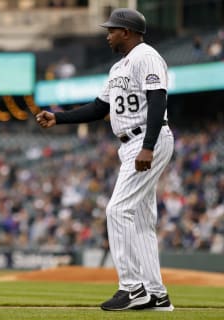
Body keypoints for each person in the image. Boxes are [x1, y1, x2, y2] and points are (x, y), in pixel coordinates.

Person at [36, 8, 174, 312]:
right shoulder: (118, 68)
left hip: (146, 139)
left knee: (118, 209)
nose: (107, 34)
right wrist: (57, 118)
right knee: (139, 220)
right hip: (131, 143)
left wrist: (147, 146)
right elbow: (99, 108)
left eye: (111, 30)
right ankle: (155, 293)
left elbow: (158, 99)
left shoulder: (146, 57)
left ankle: (132, 288)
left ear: (126, 31)